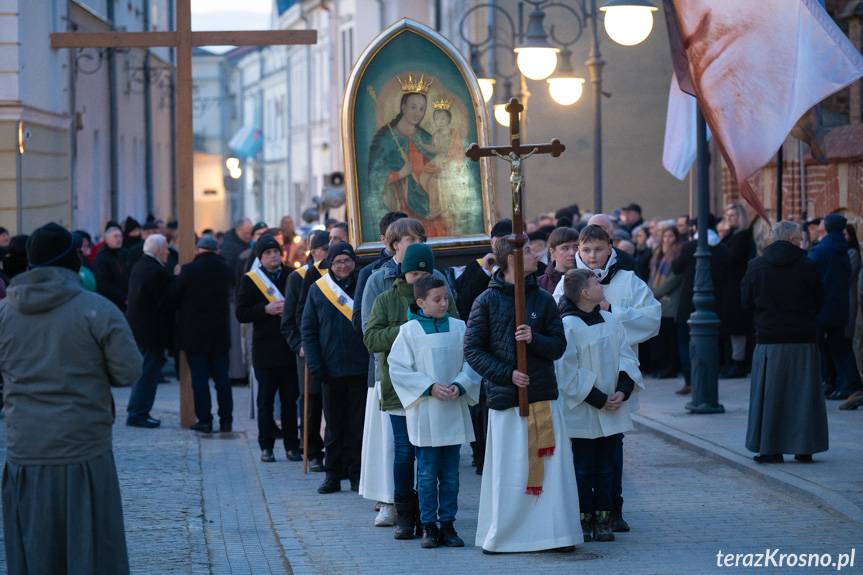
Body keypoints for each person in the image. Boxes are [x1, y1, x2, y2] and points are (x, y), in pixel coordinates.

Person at [0, 223, 142, 574]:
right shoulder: (98, 310)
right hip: (83, 449)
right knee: (91, 550)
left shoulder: (5, 313)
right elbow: (128, 371)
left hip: (26, 449)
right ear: (72, 260)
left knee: (34, 550)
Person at [466, 239, 581, 554]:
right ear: (510, 260)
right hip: (507, 401)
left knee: (549, 469)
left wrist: (534, 339)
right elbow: (473, 350)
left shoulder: (543, 299)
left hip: (542, 396)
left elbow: (558, 346)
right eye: (528, 251)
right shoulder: (486, 301)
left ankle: (554, 534)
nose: (536, 255)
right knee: (512, 469)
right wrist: (508, 374)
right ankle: (506, 535)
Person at [551, 225, 660, 534]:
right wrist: (596, 396)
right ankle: (585, 514)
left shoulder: (628, 281)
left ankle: (612, 509)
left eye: (598, 249)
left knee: (611, 456)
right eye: (586, 250)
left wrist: (614, 310)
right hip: (585, 398)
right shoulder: (567, 287)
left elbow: (651, 318)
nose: (592, 256)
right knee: (585, 462)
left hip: (615, 383)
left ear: (610, 247)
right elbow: (563, 357)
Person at [364, 243, 459, 540]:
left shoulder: (441, 297)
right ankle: (406, 514)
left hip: (437, 393)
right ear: (404, 273)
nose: (419, 278)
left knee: (432, 457)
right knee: (404, 453)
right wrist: (408, 329)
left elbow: (457, 333)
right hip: (399, 391)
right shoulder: (386, 299)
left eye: (424, 272)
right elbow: (371, 338)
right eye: (414, 273)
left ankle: (433, 516)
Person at [388, 275, 480, 549]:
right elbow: (398, 368)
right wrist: (429, 387)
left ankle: (448, 524)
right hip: (427, 411)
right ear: (421, 303)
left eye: (445, 298)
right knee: (427, 473)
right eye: (437, 299)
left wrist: (461, 385)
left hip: (452, 407)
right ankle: (428, 525)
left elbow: (472, 361)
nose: (443, 304)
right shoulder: (409, 331)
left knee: (451, 474)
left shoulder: (459, 327)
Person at [556, 269, 642, 542]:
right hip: (584, 409)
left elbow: (626, 357)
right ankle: (584, 518)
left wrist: (622, 391)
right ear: (584, 293)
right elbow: (566, 371)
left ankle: (605, 517)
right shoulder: (568, 325)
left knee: (607, 468)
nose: (601, 285)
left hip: (613, 406)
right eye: (596, 283)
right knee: (583, 468)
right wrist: (598, 399)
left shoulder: (610, 320)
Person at [741, 221, 828, 463]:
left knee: (770, 396)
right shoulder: (808, 266)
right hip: (803, 339)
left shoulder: (756, 266)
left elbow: (745, 301)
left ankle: (770, 449)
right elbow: (819, 300)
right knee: (804, 396)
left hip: (769, 339)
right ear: (793, 239)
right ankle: (804, 448)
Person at [352, 212, 408, 526]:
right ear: (391, 241)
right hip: (385, 371)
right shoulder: (373, 275)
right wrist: (407, 332)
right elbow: (364, 325)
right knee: (388, 442)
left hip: (425, 373)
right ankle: (388, 499)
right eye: (408, 238)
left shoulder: (432, 275)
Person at [302, 241, 368, 494]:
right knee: (333, 426)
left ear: (354, 262)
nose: (343, 266)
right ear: (330, 263)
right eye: (338, 261)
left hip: (359, 367)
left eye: (347, 260)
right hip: (330, 369)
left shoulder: (363, 286)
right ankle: (332, 475)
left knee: (357, 425)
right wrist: (315, 364)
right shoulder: (318, 289)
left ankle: (356, 473)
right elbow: (308, 329)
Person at [236, 235, 301, 462]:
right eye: (268, 253)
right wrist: (265, 309)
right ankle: (266, 446)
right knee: (265, 401)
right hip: (264, 349)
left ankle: (292, 446)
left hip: (288, 348)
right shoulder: (251, 280)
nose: (273, 256)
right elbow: (241, 313)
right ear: (261, 258)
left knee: (290, 400)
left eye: (275, 252)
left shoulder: (292, 275)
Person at [170, 235, 235, 433]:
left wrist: (176, 276)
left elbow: (173, 297)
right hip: (220, 334)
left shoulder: (188, 270)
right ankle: (226, 421)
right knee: (222, 380)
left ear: (198, 250)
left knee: (199, 380)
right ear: (216, 250)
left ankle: (205, 420)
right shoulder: (225, 270)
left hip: (194, 334)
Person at [281, 229, 331, 472]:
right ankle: (312, 451)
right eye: (325, 249)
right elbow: (289, 320)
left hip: (332, 348)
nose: (328, 254)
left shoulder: (338, 273)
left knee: (334, 401)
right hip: (308, 349)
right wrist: (299, 345)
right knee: (311, 402)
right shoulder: (298, 277)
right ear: (314, 252)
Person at [671, 217, 730, 395]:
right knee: (712, 341)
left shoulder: (690, 246)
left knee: (685, 342)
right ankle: (708, 378)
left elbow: (676, 267)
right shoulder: (722, 249)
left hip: (690, 300)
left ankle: (691, 381)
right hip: (715, 300)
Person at [809, 213, 862, 401]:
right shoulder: (840, 246)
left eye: (823, 222)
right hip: (838, 305)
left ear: (827, 226)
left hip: (825, 305)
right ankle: (845, 384)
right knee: (839, 347)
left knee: (831, 348)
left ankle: (846, 384)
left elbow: (808, 265)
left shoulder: (826, 247)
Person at [125, 234, 173, 429]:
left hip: (140, 329)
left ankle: (136, 410)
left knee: (145, 371)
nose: (168, 252)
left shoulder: (140, 266)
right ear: (159, 250)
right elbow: (166, 301)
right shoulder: (155, 271)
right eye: (166, 248)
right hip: (151, 331)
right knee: (148, 373)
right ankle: (138, 413)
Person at [719, 202, 756, 379]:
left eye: (733, 215)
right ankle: (732, 362)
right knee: (731, 328)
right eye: (727, 216)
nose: (729, 219)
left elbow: (729, 258)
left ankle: (739, 363)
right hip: (728, 287)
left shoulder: (742, 237)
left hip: (736, 287)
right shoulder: (731, 235)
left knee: (737, 328)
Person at [648, 225, 684, 378]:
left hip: (670, 301)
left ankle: (671, 368)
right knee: (660, 338)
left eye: (671, 236)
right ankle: (661, 367)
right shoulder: (657, 254)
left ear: (676, 238)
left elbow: (674, 278)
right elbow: (652, 276)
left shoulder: (678, 254)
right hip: (656, 302)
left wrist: (655, 293)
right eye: (665, 236)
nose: (667, 239)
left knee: (670, 339)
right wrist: (649, 292)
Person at [222, 218, 253, 382]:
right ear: (238, 230)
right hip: (234, 296)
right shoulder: (230, 247)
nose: (249, 236)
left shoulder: (243, 244)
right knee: (236, 339)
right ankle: (237, 374)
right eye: (246, 233)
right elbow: (229, 272)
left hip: (242, 295)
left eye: (250, 233)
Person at [94, 225, 129, 310]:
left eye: (120, 236)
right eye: (115, 236)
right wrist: (123, 298)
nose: (119, 239)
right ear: (107, 239)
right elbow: (103, 283)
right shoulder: (102, 257)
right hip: (110, 302)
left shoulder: (124, 253)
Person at [538, 226, 579, 294]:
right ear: (553, 252)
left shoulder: (589, 279)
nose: (572, 253)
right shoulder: (541, 284)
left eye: (576, 247)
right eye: (565, 248)